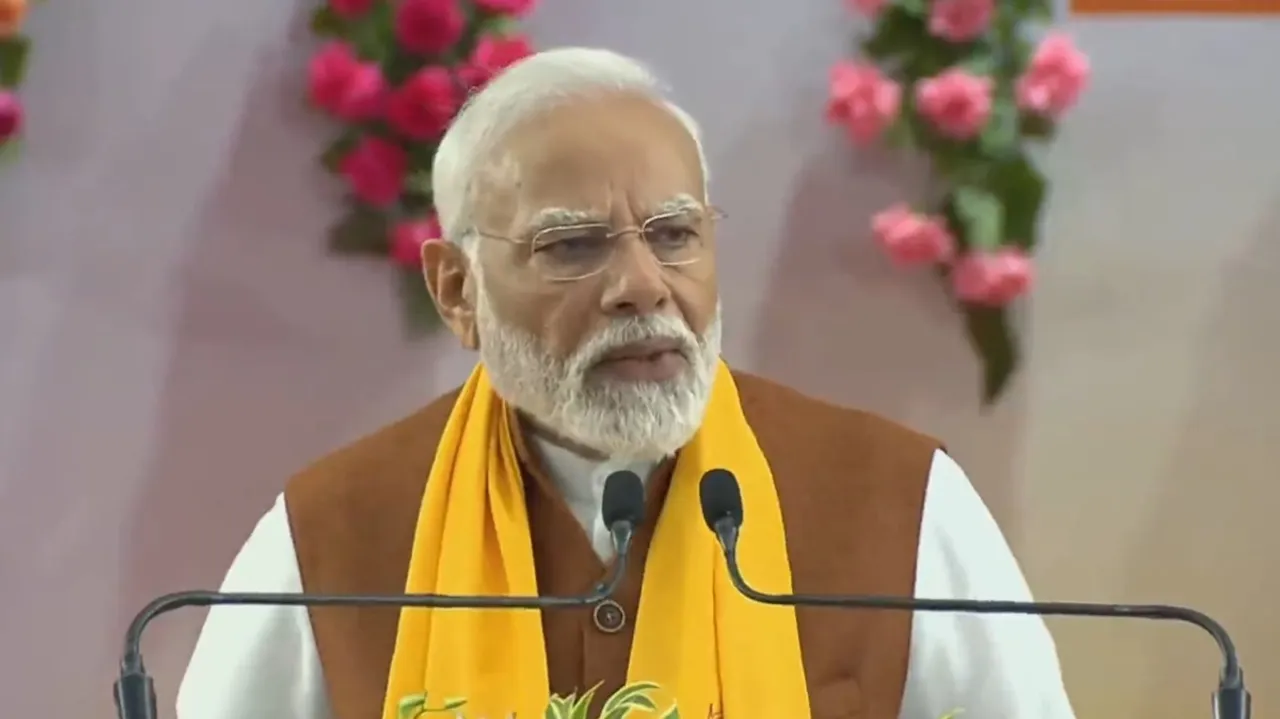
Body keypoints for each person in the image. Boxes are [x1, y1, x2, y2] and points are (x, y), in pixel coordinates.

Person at [177, 47, 1075, 719]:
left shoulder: (898, 498)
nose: (644, 285)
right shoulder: (335, 534)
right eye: (573, 245)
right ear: (458, 289)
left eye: (676, 234)